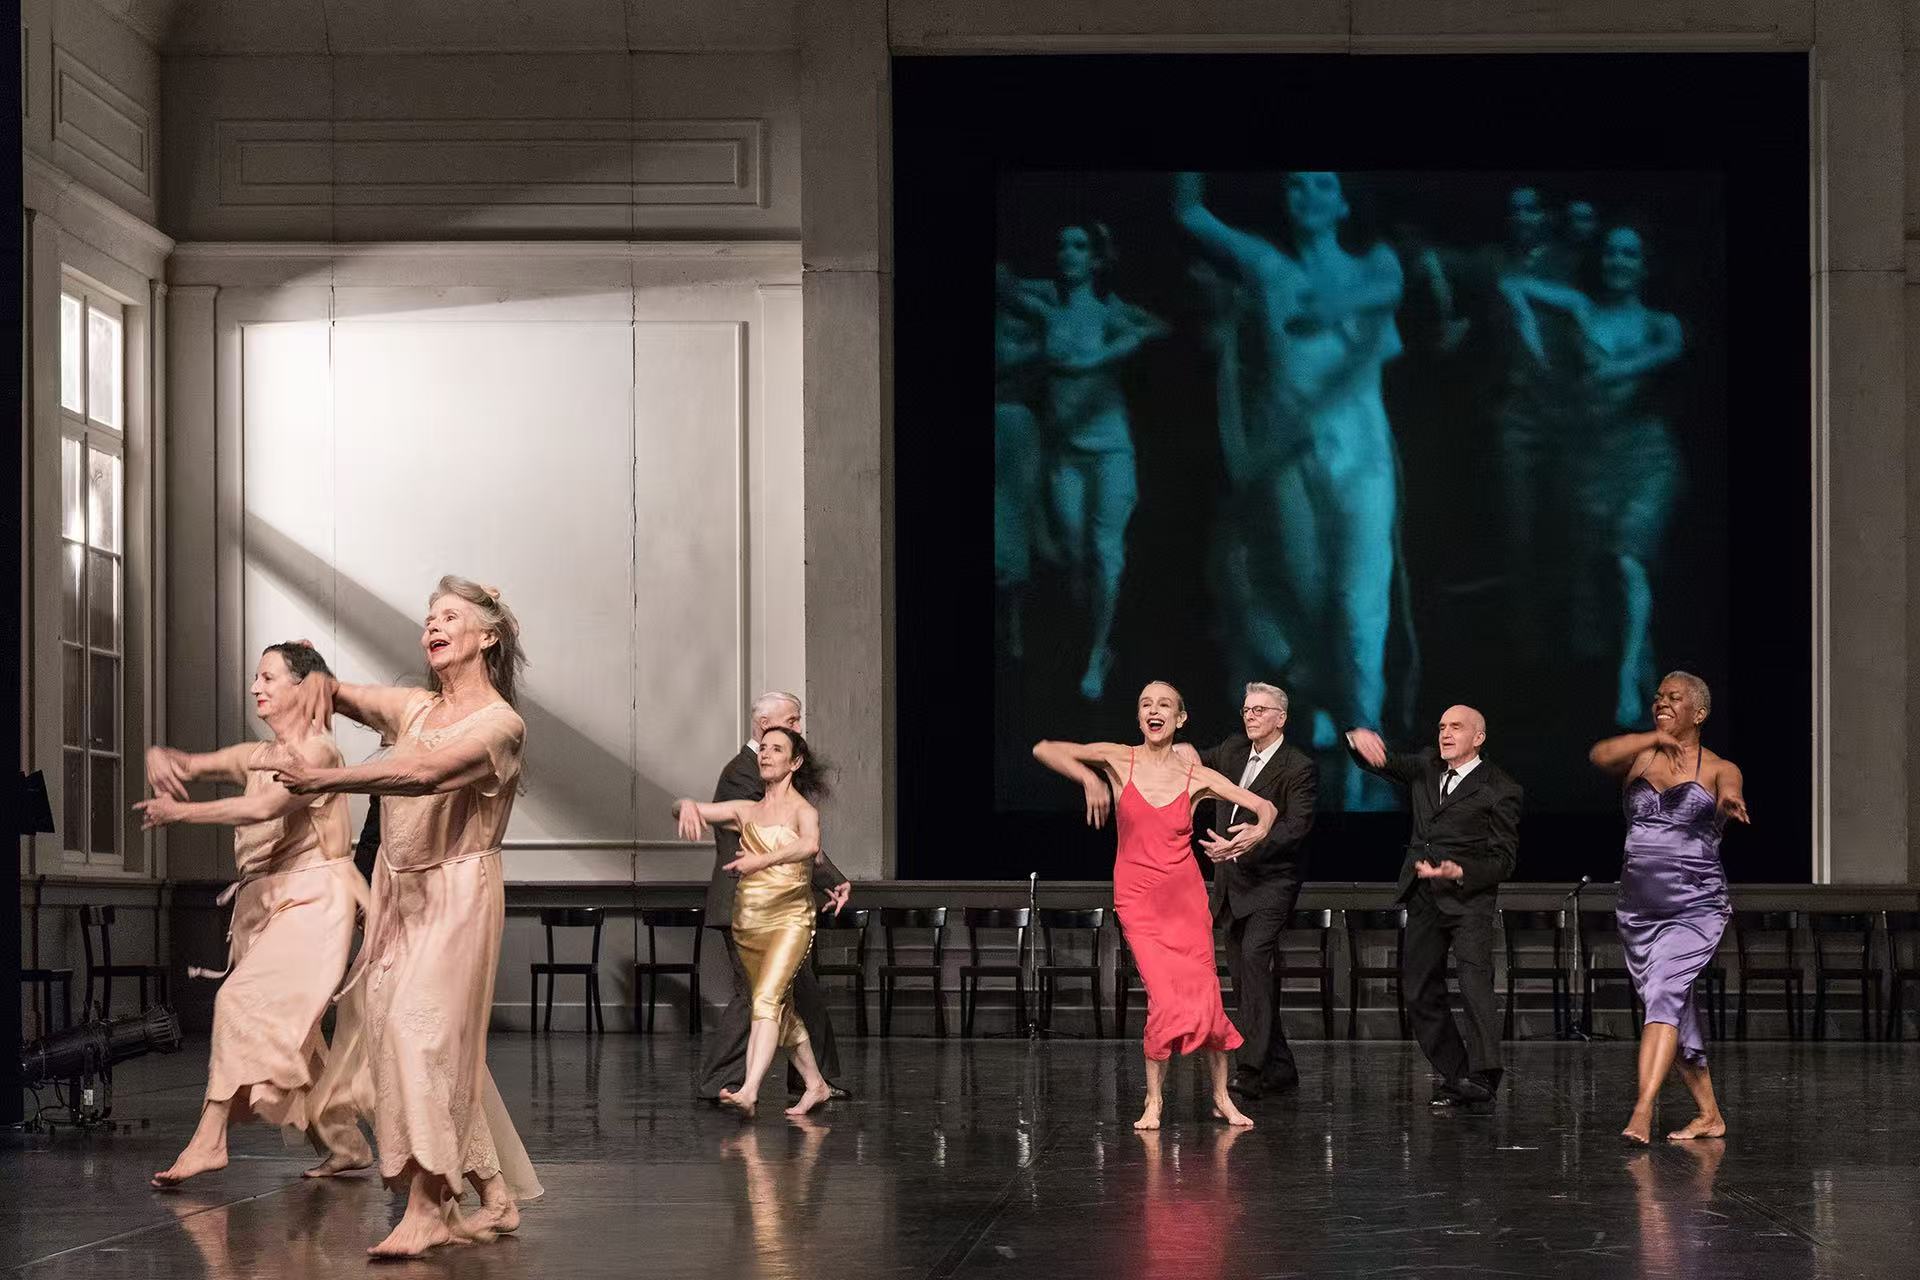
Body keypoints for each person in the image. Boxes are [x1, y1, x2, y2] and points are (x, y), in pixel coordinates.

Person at [261, 576, 541, 1258]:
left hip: (457, 895)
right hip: (399, 894)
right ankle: (494, 1193)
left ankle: (427, 1208)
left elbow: (425, 775)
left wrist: (327, 779)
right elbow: (346, 696)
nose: (432, 627)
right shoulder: (416, 708)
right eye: (428, 618)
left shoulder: (501, 725)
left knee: (419, 1040)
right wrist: (313, 678)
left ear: (488, 636)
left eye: (449, 617)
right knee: (416, 1044)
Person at [1174, 172, 1409, 809]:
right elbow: (1190, 213)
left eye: (1322, 185)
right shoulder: (1267, 264)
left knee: (1360, 605)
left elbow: (1384, 297)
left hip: (1359, 456)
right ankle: (1332, 708)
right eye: (1297, 185)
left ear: (1344, 200)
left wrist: (1333, 308)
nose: (1307, 195)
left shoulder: (1375, 263)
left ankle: (1365, 753)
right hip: (1288, 459)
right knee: (1307, 602)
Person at [136, 641, 372, 1187]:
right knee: (294, 1036)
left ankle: (210, 1139)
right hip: (267, 902)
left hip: (315, 901)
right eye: (255, 677)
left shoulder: (319, 754)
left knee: (240, 1001)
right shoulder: (259, 753)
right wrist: (158, 756)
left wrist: (182, 813)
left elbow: (264, 806)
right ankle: (345, 1145)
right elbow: (189, 763)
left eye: (267, 677)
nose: (254, 688)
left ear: (301, 687)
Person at [1034, 680, 1276, 1130]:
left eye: (1164, 704)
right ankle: (1154, 1100)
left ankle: (1222, 1097)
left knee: (1205, 996)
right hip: (1139, 900)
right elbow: (1046, 748)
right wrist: (1089, 778)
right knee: (1164, 997)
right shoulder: (1119, 759)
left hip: (1185, 899)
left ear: (1180, 718)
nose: (1154, 710)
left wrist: (1253, 833)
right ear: (1140, 716)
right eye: (1146, 703)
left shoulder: (1195, 776)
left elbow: (1265, 807)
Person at [1501, 227, 1686, 726]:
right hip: (1595, 461)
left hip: (1645, 458)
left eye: (1629, 253)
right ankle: (1648, 688)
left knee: (1628, 560)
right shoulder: (1584, 309)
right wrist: (1532, 337)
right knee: (1611, 577)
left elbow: (1663, 355)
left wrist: (1610, 368)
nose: (1617, 261)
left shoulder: (1662, 324)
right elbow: (1512, 284)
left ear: (1645, 265)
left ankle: (1626, 683)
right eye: (1610, 252)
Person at [997, 225, 1170, 700]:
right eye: (1061, 245)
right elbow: (1004, 284)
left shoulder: (1111, 313)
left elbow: (1160, 327)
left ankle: (1098, 653)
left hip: (1110, 449)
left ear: (1096, 258)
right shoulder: (1047, 312)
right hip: (1067, 451)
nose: (1067, 253)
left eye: (1079, 246)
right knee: (1074, 553)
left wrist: (1111, 351)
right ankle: (1088, 634)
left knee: (1105, 552)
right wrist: (1033, 285)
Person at [1588, 672, 1745, 1144]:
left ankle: (1642, 1110)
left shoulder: (1718, 766)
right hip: (1639, 910)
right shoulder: (1641, 756)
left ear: (1699, 713)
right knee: (1674, 1008)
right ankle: (1710, 1115)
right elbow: (1600, 755)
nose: (1662, 703)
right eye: (1658, 697)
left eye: (1674, 698)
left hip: (1694, 905)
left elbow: (1731, 786)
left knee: (1662, 995)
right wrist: (1652, 737)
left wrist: (1729, 800)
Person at [1346, 706, 1522, 1103]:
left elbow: (1504, 860)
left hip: (1468, 900)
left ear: (1478, 738)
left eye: (1456, 727)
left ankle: (1483, 1076)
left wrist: (1461, 870)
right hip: (1423, 894)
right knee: (1418, 988)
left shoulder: (1500, 788)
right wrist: (1356, 739)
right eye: (1442, 726)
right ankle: (1457, 1073)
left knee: (1474, 986)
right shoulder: (1426, 765)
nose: (1445, 733)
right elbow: (1381, 761)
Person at [673, 725, 837, 1119]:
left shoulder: (804, 811)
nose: (765, 754)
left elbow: (809, 845)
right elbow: (684, 808)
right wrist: (686, 805)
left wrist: (761, 859)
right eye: (763, 748)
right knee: (781, 1007)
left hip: (790, 919)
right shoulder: (745, 809)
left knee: (765, 998)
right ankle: (816, 1084)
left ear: (794, 762)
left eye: (776, 749)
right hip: (749, 922)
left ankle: (749, 1089)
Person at [1181, 682, 1317, 1099]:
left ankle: (1251, 1069)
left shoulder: (1298, 766)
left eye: (1260, 710)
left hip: (1271, 883)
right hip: (1231, 886)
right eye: (1246, 710)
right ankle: (1281, 1066)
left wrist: (1250, 842)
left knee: (1256, 962)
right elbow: (1194, 760)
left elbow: (1296, 827)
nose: (1251, 716)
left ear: (1281, 718)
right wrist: (1171, 746)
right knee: (1245, 979)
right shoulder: (1233, 750)